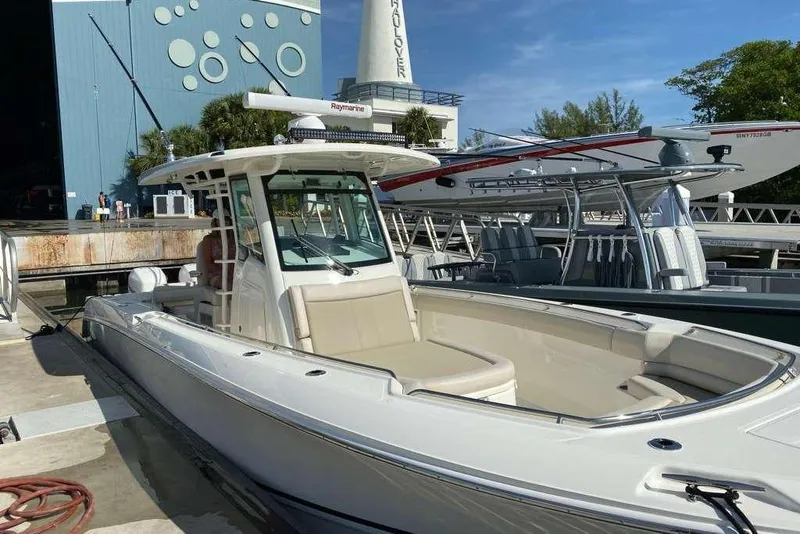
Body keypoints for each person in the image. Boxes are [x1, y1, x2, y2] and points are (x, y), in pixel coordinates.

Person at [197, 211, 236, 289]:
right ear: (215, 222)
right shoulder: (208, 240)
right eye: (221, 220)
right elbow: (208, 263)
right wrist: (225, 274)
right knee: (229, 286)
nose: (225, 222)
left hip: (236, 274)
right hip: (217, 275)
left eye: (226, 219)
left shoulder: (234, 239)